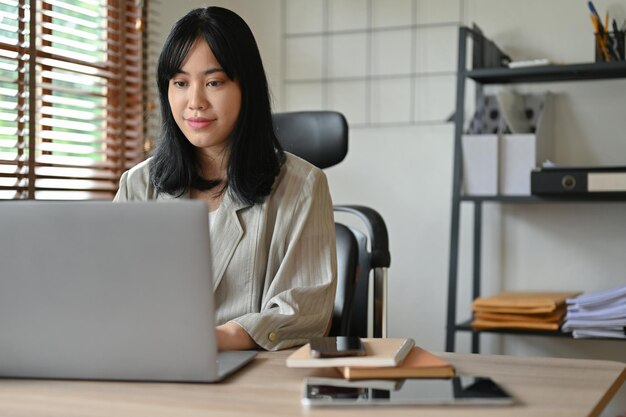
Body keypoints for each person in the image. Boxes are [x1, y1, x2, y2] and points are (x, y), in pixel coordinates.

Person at [113, 7, 337, 351]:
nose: (195, 102)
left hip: (251, 378)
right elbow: (110, 291)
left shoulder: (303, 186)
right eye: (180, 83)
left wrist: (218, 338)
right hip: (150, 367)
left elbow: (304, 313)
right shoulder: (138, 184)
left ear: (246, 87)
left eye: (214, 82)